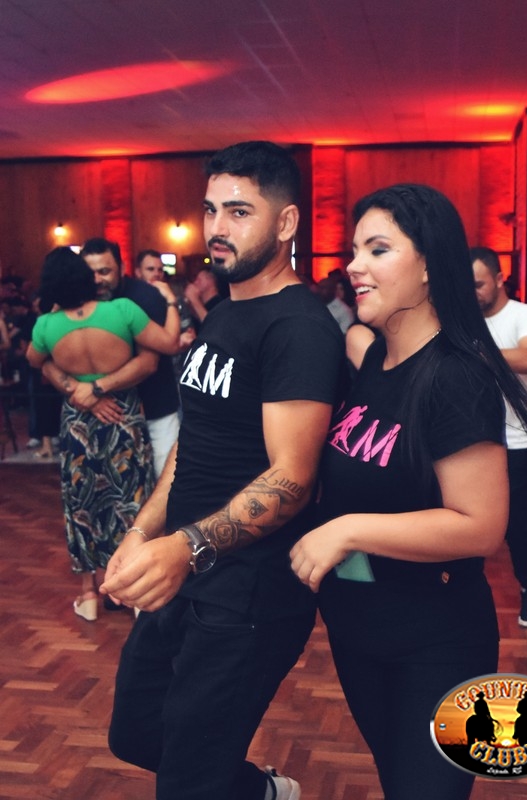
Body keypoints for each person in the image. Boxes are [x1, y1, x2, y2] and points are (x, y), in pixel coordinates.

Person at [101, 141, 345, 800]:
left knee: (188, 779)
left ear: (286, 223)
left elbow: (292, 479)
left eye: (239, 211)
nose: (216, 227)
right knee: (136, 735)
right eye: (211, 209)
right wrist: (143, 533)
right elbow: (194, 440)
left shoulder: (298, 328)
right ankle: (261, 793)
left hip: (249, 592)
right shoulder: (229, 314)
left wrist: (185, 547)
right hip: (187, 566)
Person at [289, 184, 527, 800]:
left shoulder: (455, 375)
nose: (354, 265)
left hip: (435, 640)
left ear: (428, 264)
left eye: (377, 249)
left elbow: (481, 525)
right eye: (354, 250)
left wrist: (347, 529)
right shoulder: (376, 357)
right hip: (359, 629)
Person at [26, 247, 180, 622]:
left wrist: (78, 388)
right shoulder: (122, 311)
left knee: (82, 504)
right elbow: (168, 345)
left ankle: (89, 595)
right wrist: (171, 303)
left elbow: (35, 361)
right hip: (123, 416)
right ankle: (136, 592)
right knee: (131, 499)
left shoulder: (46, 325)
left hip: (78, 420)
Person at [471, 247, 527, 627]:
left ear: (500, 279)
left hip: (518, 438)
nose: (473, 292)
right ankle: (462, 591)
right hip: (475, 437)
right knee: (465, 517)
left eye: (479, 284)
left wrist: (475, 351)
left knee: (515, 521)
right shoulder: (466, 320)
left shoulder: (524, 314)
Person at [81, 238, 181, 477]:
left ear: (122, 268)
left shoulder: (145, 296)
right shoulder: (80, 298)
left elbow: (149, 362)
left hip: (155, 404)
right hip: (108, 410)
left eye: (104, 271)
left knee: (167, 477)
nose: (97, 280)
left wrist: (94, 389)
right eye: (90, 273)